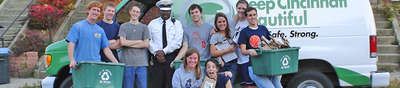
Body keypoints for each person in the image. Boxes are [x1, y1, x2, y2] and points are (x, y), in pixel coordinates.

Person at [238, 7, 282, 88]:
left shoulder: (263, 28)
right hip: (255, 68)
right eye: (250, 15)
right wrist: (249, 51)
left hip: (268, 66)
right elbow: (243, 51)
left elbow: (272, 44)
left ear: (257, 16)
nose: (253, 17)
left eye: (254, 14)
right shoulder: (244, 32)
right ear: (246, 18)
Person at [66, 1, 118, 69]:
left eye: (98, 11)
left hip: (96, 66)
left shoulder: (100, 30)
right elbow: (71, 44)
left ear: (100, 13)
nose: (95, 12)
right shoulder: (78, 26)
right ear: (88, 10)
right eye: (93, 9)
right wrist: (72, 60)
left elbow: (106, 49)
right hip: (80, 66)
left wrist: (116, 63)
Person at [148, 0, 184, 87]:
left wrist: (163, 52)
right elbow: (148, 40)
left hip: (171, 58)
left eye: (167, 11)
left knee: (171, 84)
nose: (165, 13)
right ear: (159, 11)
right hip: (156, 58)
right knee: (157, 84)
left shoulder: (176, 24)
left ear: (170, 11)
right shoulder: (152, 24)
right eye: (163, 11)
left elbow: (177, 42)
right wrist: (157, 53)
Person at [118, 3, 150, 88]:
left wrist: (129, 43)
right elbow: (123, 43)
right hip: (127, 63)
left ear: (140, 14)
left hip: (141, 63)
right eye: (133, 11)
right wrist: (139, 42)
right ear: (129, 12)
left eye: (137, 12)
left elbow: (146, 44)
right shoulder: (123, 26)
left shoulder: (144, 28)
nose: (135, 14)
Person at [210, 12, 238, 84]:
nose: (222, 24)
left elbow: (239, 14)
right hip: (221, 64)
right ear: (216, 23)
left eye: (223, 21)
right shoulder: (215, 36)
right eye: (219, 22)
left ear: (227, 22)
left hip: (233, 63)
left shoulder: (231, 30)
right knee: (221, 84)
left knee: (229, 83)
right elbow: (213, 52)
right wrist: (227, 50)